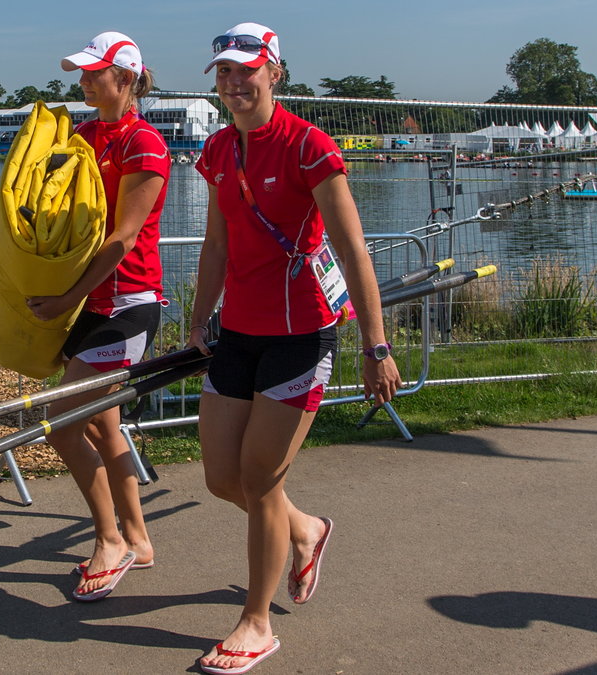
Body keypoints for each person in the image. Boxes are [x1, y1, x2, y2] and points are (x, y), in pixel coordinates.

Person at [186, 22, 399, 674]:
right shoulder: (221, 150)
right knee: (222, 475)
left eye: (245, 70)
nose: (233, 82)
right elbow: (216, 247)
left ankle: (256, 620)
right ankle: (306, 528)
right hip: (239, 334)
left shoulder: (310, 148)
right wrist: (197, 321)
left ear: (275, 71)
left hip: (302, 335)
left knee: (260, 476)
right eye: (223, 72)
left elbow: (354, 249)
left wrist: (376, 344)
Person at [26, 30, 170, 602]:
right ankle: (139, 537)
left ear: (126, 79)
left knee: (62, 420)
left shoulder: (145, 144)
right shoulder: (84, 136)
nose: (83, 81)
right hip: (90, 303)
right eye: (82, 73)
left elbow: (123, 237)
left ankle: (108, 539)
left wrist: (63, 301)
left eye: (94, 73)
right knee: (101, 424)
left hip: (129, 306)